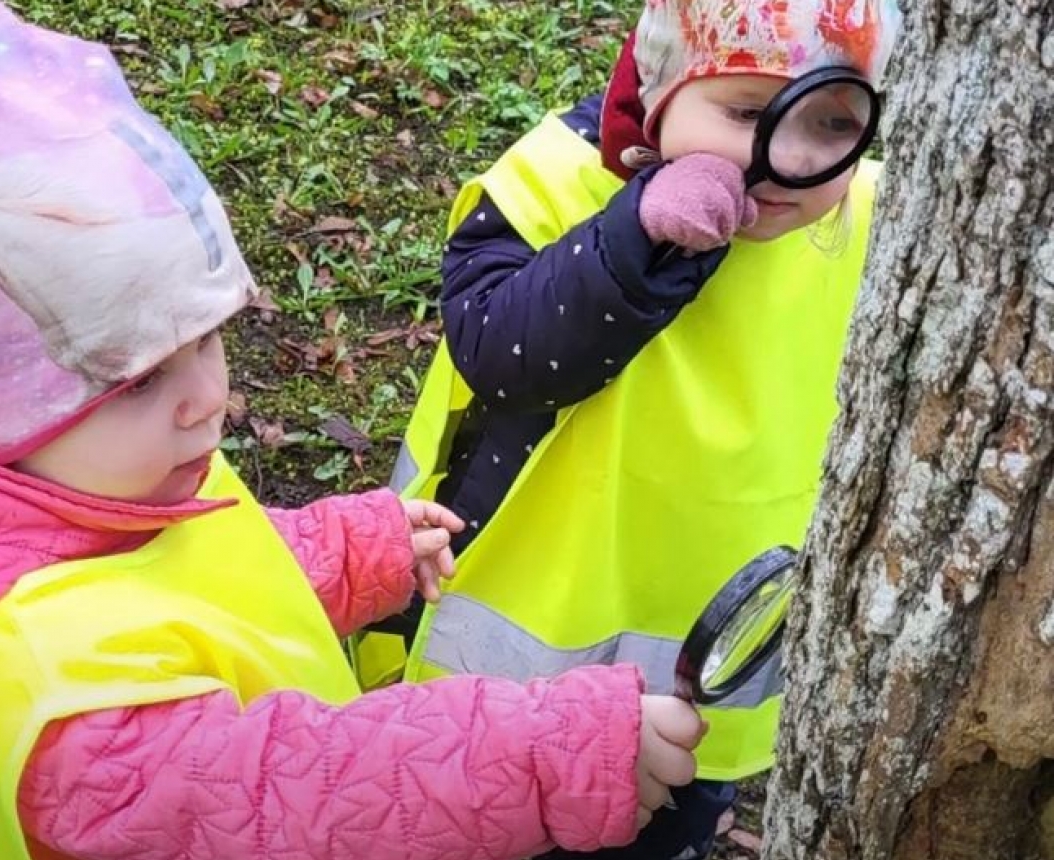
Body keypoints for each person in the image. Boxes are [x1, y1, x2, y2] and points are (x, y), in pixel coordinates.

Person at [0, 1, 707, 858]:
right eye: (135, 380)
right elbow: (292, 797)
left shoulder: (78, 482)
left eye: (206, 339)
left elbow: (190, 580)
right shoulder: (58, 708)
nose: (203, 398)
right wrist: (548, 750)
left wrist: (353, 549)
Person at [354, 2, 902, 858]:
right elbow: (500, 349)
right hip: (511, 654)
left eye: (831, 121)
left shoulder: (871, 218)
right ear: (659, 87)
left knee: (663, 818)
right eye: (748, 114)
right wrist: (636, 236)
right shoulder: (558, 181)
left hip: (703, 653)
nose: (788, 160)